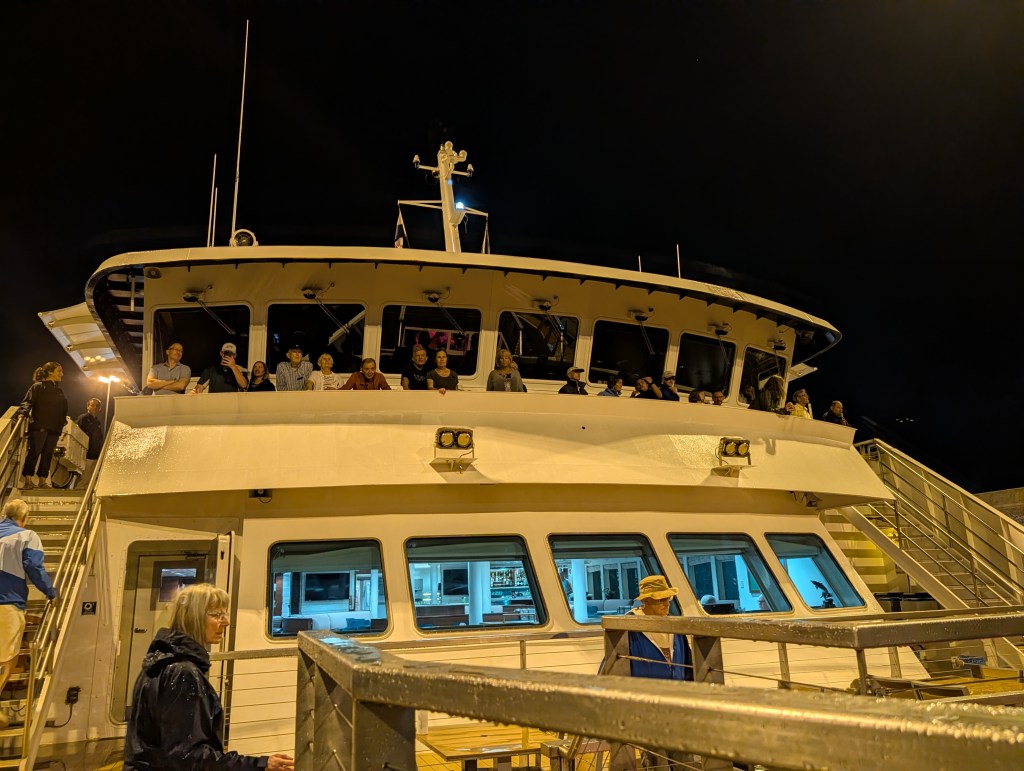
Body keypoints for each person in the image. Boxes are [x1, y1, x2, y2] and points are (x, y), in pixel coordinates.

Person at [124, 584, 294, 770]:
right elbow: (188, 757)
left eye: (225, 613)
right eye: (216, 614)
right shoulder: (183, 673)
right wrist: (260, 764)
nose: (226, 622)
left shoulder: (159, 660)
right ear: (193, 618)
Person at [0, 499, 58, 728]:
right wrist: (51, 592)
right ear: (25, 517)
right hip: (7, 603)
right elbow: (34, 567)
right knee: (6, 657)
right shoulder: (26, 536)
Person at [624, 575, 692, 681]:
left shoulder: (675, 626)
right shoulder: (628, 627)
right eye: (661, 599)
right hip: (644, 693)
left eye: (668, 598)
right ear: (645, 601)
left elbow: (688, 664)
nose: (667, 604)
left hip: (676, 692)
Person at [18, 361, 68, 490]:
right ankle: (28, 480)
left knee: (47, 455)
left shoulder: (59, 391)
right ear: (50, 372)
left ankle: (42, 481)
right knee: (35, 452)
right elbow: (27, 402)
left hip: (54, 428)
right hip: (40, 425)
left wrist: (62, 422)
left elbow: (64, 409)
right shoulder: (38, 387)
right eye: (59, 371)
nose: (62, 374)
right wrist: (22, 413)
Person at [75, 397, 104, 487]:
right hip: (85, 454)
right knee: (82, 478)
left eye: (97, 406)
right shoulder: (83, 418)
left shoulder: (98, 422)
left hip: (95, 454)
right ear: (88, 406)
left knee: (90, 479)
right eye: (92, 405)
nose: (95, 408)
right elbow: (77, 433)